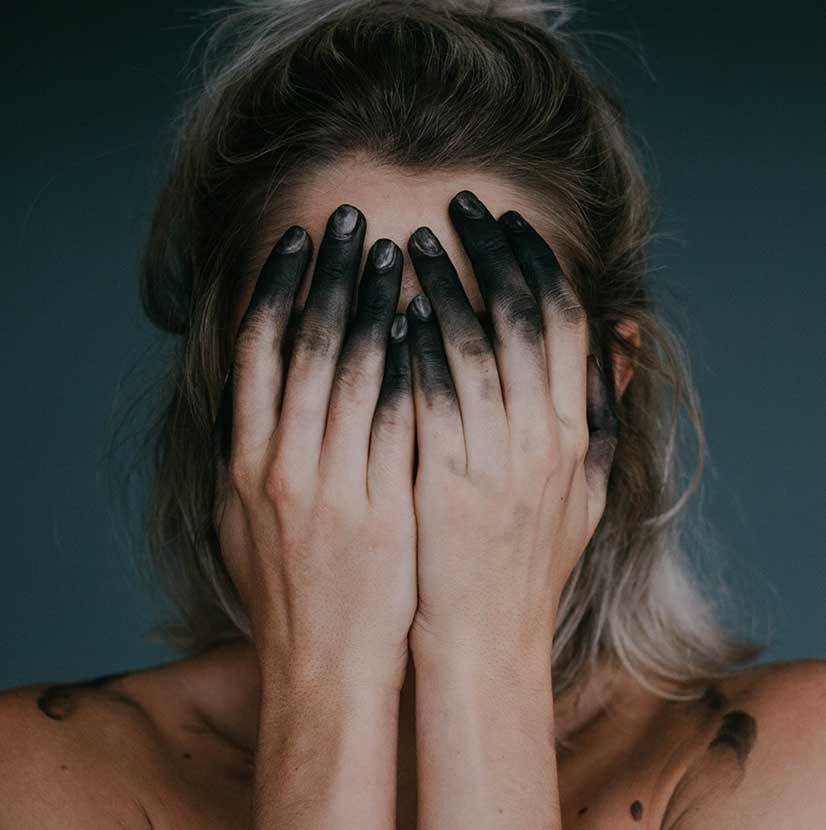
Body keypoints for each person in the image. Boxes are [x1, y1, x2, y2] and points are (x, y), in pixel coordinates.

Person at [1, 1, 823, 827]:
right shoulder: (39, 775)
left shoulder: (786, 764)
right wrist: (328, 683)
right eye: (334, 348)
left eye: (478, 348)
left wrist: (483, 662)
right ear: (227, 389)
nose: (401, 422)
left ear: (604, 385)